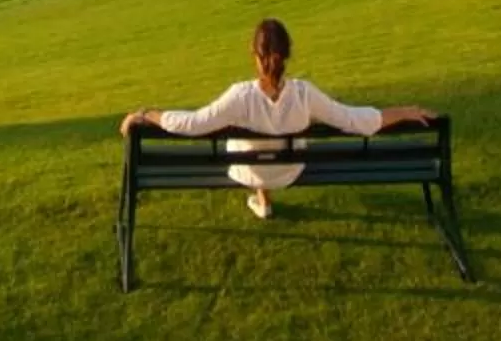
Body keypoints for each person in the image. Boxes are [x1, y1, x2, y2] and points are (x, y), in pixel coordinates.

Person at [118, 16, 438, 219]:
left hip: (252, 172)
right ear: (286, 55)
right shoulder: (304, 93)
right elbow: (357, 120)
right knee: (275, 136)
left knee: (244, 144)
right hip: (288, 170)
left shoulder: (240, 96)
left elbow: (191, 124)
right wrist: (406, 112)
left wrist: (145, 113)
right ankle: (264, 198)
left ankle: (262, 198)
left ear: (255, 56)